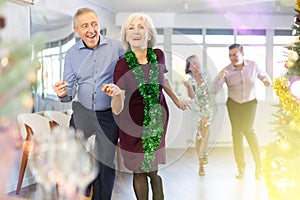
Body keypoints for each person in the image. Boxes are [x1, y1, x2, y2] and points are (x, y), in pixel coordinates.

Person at [102, 12, 189, 200]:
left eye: (141, 27)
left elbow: (163, 79)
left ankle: (157, 187)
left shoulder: (158, 55)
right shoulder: (122, 65)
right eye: (131, 28)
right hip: (131, 125)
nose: (136, 31)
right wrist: (116, 95)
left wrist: (177, 100)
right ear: (126, 35)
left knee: (151, 169)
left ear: (149, 34)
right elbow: (117, 108)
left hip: (156, 121)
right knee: (139, 172)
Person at [54, 7, 125, 200]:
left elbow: (127, 80)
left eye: (94, 24)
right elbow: (69, 91)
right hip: (83, 111)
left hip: (108, 113)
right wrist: (63, 93)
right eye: (85, 26)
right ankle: (83, 192)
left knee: (105, 164)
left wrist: (119, 90)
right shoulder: (71, 55)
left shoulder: (117, 48)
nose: (91, 29)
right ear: (76, 30)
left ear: (99, 25)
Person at [211, 43, 271, 179]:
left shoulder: (253, 65)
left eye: (235, 55)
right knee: (236, 134)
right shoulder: (226, 71)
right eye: (230, 55)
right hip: (234, 104)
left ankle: (259, 166)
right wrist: (219, 77)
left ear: (242, 54)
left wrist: (267, 82)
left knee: (248, 130)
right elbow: (214, 90)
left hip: (250, 102)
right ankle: (241, 167)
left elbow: (264, 77)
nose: (232, 58)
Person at [183, 55, 215, 176]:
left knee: (205, 129)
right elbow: (191, 96)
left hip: (207, 107)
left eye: (198, 62)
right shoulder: (188, 79)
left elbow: (212, 91)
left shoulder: (206, 76)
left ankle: (203, 155)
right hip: (196, 109)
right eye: (194, 63)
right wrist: (188, 86)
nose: (197, 65)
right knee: (199, 135)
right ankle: (201, 162)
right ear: (189, 67)